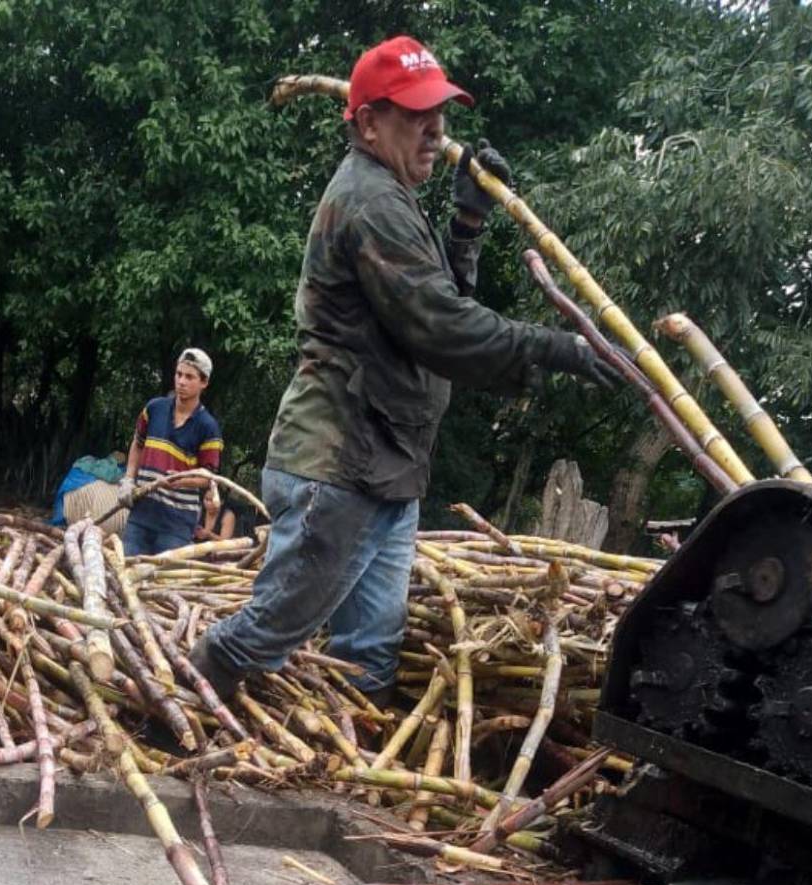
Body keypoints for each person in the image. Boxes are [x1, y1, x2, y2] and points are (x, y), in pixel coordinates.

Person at [190, 35, 618, 703]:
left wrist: (467, 225)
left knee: (371, 651)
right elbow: (440, 327)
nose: (437, 130)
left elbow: (435, 303)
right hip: (338, 464)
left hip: (384, 465)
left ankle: (346, 771)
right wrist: (553, 348)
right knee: (264, 635)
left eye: (440, 113)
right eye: (417, 114)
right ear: (367, 123)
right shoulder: (370, 201)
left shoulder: (392, 194)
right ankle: (178, 711)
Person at [117, 348, 224, 555]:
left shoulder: (208, 427)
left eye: (189, 377)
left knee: (164, 583)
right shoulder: (154, 409)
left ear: (204, 383)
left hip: (177, 524)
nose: (181, 381)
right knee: (127, 571)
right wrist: (128, 479)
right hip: (142, 514)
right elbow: (137, 444)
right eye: (179, 374)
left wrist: (182, 480)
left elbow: (209, 477)